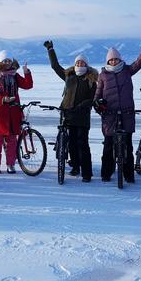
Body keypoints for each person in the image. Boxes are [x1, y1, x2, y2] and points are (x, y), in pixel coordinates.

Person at [94, 35, 141, 182]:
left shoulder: (127, 70)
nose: (114, 61)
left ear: (120, 59)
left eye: (116, 59)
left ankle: (128, 175)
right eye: (111, 59)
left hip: (126, 113)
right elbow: (97, 94)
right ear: (107, 61)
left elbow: (139, 63)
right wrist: (98, 105)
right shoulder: (103, 75)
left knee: (127, 146)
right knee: (109, 146)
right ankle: (106, 173)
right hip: (110, 115)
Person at [44, 40, 98, 182]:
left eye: (82, 63)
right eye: (78, 63)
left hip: (82, 116)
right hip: (68, 114)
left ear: (87, 65)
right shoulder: (69, 76)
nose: (80, 65)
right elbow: (55, 66)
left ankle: (87, 173)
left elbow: (92, 99)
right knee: (72, 143)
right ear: (75, 64)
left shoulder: (92, 80)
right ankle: (75, 167)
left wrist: (80, 106)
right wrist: (50, 49)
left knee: (83, 143)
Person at [0, 50, 33, 173]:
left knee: (12, 141)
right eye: (5, 61)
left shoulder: (15, 76)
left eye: (9, 60)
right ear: (1, 62)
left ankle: (10, 164)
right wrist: (2, 99)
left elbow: (28, 85)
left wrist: (26, 73)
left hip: (14, 112)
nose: (7, 63)